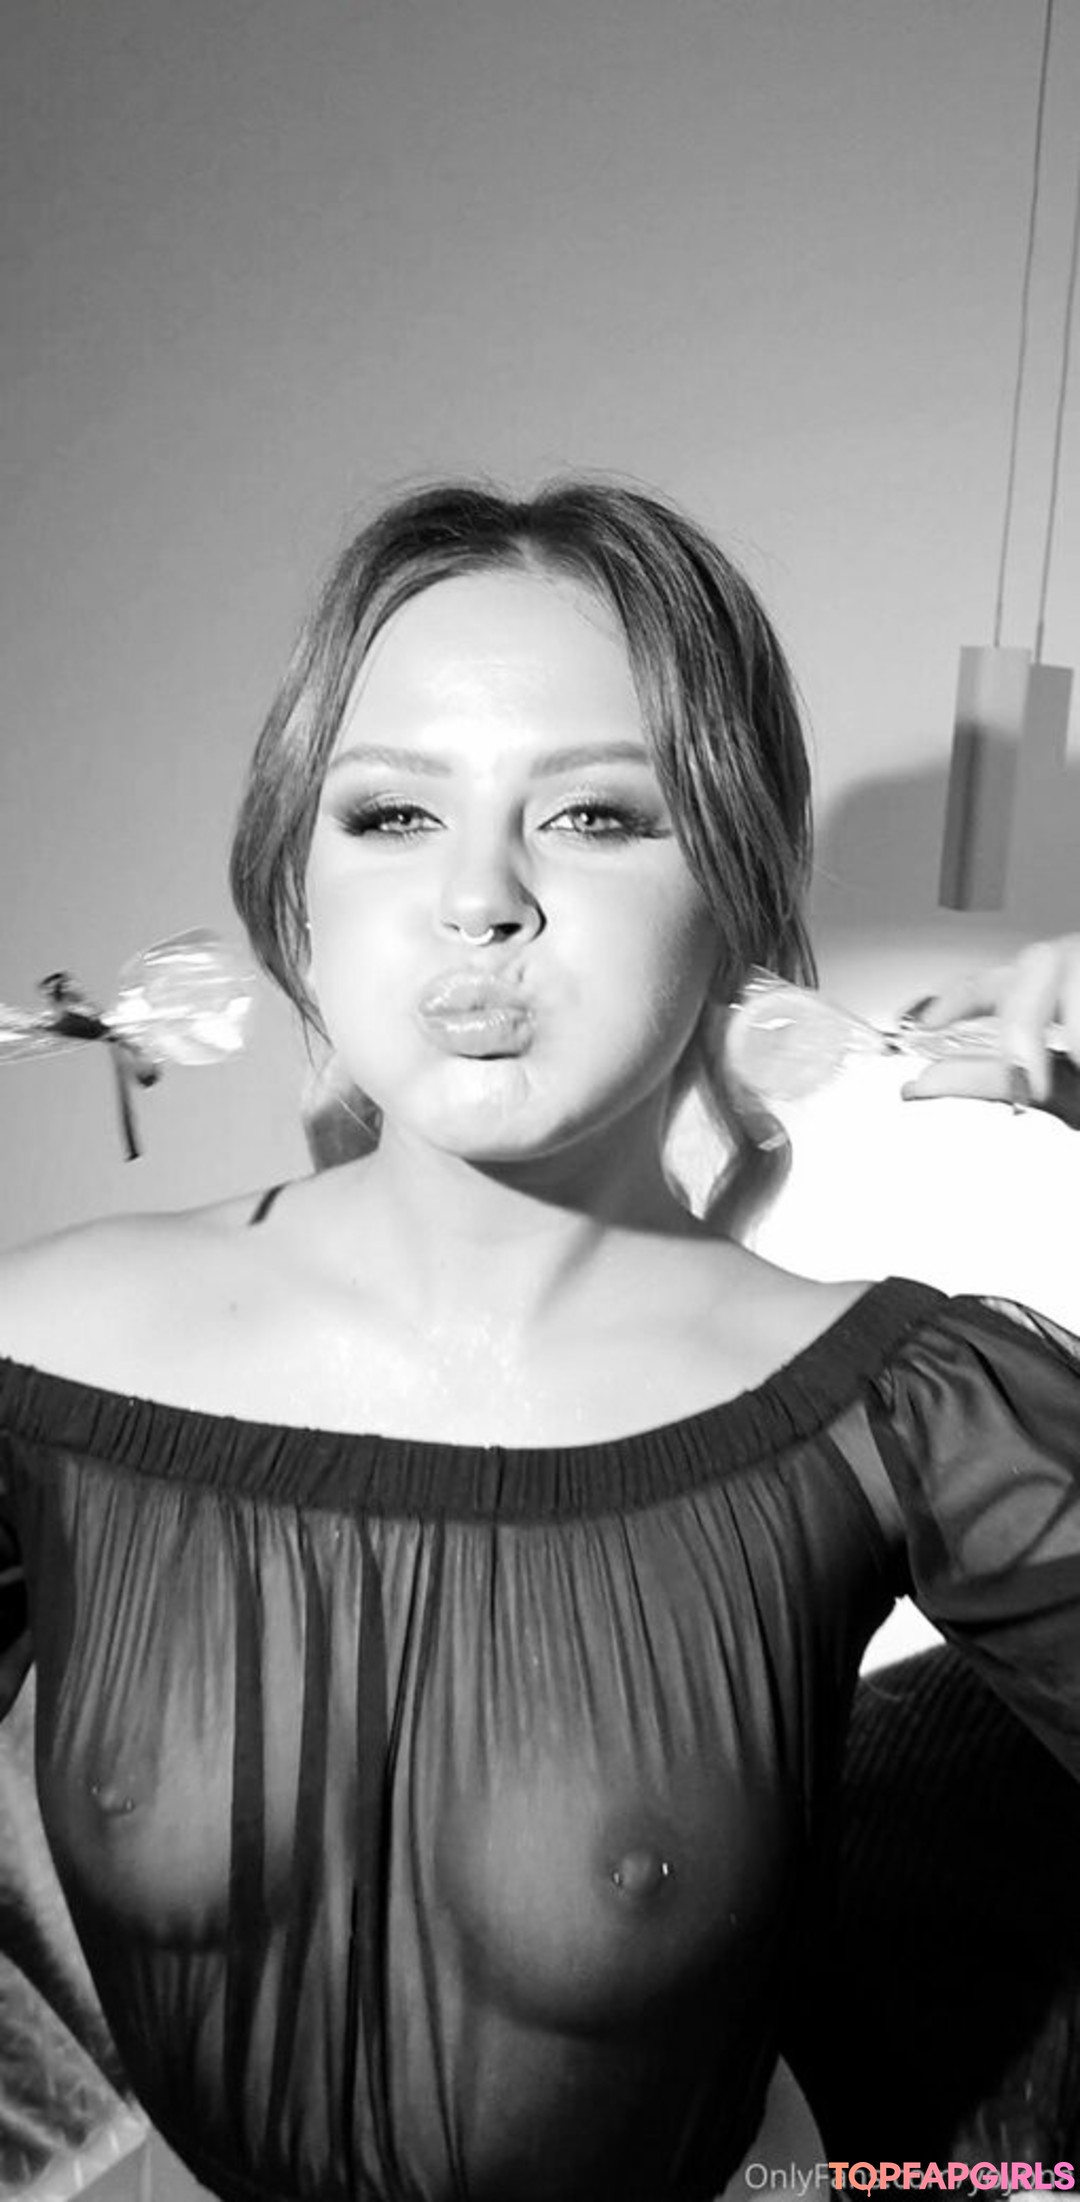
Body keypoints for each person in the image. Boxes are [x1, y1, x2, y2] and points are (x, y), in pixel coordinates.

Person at [0, 478, 1077, 2202]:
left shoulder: (900, 1404)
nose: (480, 898)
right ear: (295, 885)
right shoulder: (42, 1355)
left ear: (733, 889)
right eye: (391, 813)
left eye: (592, 814)